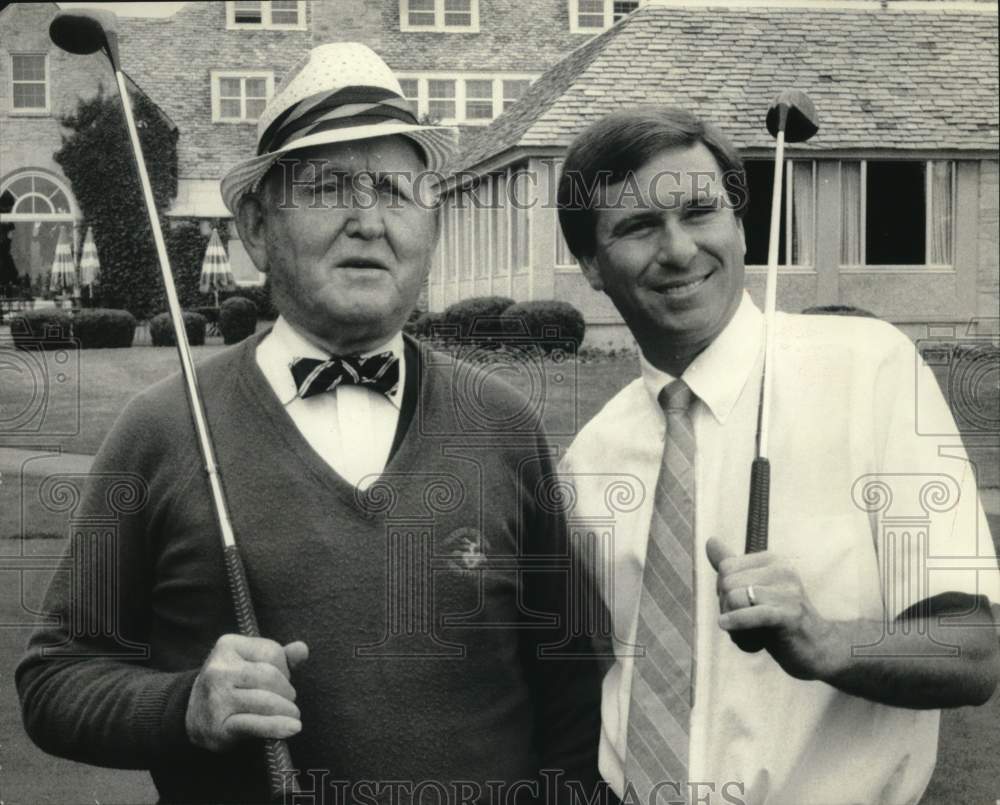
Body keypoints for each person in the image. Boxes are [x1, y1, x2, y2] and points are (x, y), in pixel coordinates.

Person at [17, 44, 602, 804]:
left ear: (430, 228)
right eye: (328, 188)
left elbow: (571, 680)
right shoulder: (160, 429)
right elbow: (55, 678)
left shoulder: (502, 425)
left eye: (396, 191)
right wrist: (185, 704)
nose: (369, 221)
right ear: (258, 228)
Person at [555, 107, 1000, 805]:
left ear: (739, 225)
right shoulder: (590, 459)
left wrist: (825, 642)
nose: (678, 250)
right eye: (638, 226)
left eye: (700, 212)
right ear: (590, 265)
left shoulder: (870, 370)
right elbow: (590, 680)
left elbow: (973, 650)